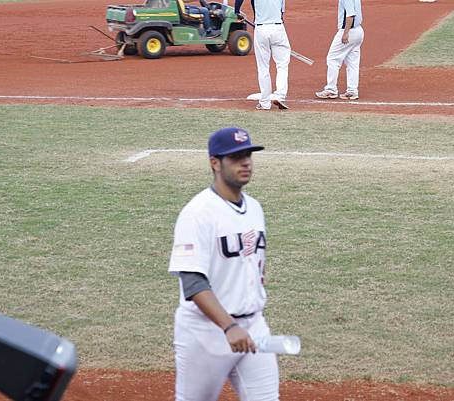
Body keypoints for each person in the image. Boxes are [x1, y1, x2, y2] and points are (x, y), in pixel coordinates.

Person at [169, 127, 279, 401]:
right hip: (205, 333)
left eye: (248, 155)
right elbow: (193, 283)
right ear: (214, 163)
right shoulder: (197, 213)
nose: (246, 162)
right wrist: (229, 326)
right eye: (236, 157)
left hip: (253, 327)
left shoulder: (254, 207)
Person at [235, 0, 290, 110]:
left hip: (261, 28)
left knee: (263, 67)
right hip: (278, 28)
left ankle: (265, 102)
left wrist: (237, 11)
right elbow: (281, 13)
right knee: (282, 64)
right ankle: (280, 95)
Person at [315, 0, 364, 100]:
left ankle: (331, 90)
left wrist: (345, 33)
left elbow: (350, 16)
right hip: (358, 31)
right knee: (352, 62)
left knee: (333, 59)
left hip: (348, 31)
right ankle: (352, 91)